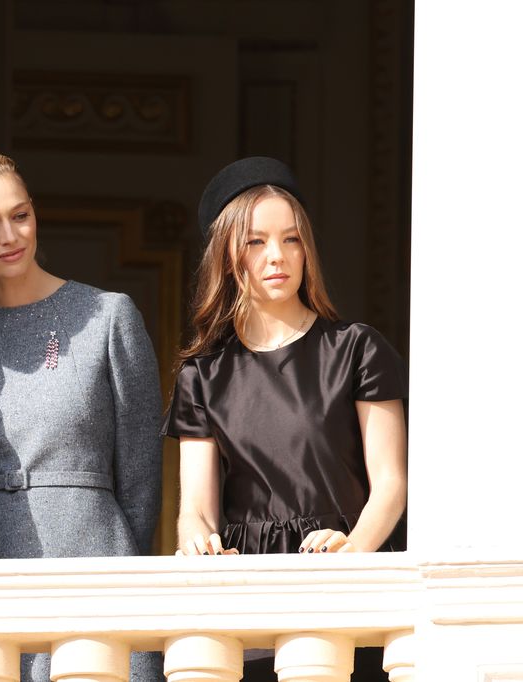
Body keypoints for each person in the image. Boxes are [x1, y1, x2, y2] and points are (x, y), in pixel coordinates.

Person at [164, 156, 408, 681]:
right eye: (256, 242)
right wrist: (197, 541)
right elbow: (196, 511)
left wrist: (354, 553)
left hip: (348, 583)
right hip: (249, 598)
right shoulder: (201, 376)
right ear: (228, 253)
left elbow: (391, 483)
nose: (277, 256)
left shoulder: (357, 350)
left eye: (292, 239)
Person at [0, 151, 164, 682]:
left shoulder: (107, 316)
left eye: (21, 215)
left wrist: (120, 573)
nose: (10, 235)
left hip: (94, 562)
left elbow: (140, 475)